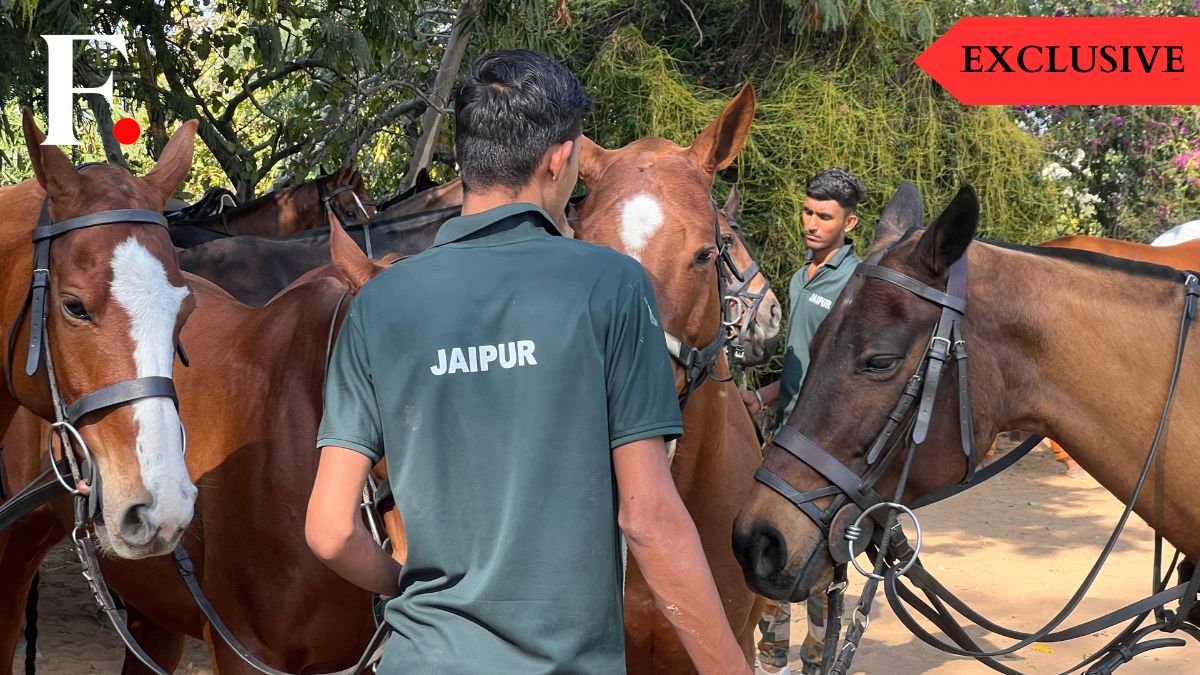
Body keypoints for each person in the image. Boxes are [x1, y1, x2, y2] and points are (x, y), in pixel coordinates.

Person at [305, 49, 750, 675]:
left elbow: (329, 530)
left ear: (466, 157)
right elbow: (648, 515)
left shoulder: (379, 304)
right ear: (561, 157)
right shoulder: (613, 285)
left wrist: (408, 587)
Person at [739, 168, 867, 675]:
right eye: (808, 212)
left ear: (849, 221)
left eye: (824, 216)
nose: (811, 223)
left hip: (824, 447)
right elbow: (801, 362)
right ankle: (772, 663)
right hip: (784, 435)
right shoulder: (799, 276)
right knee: (771, 544)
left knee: (822, 560)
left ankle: (818, 663)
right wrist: (764, 397)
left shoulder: (856, 285)